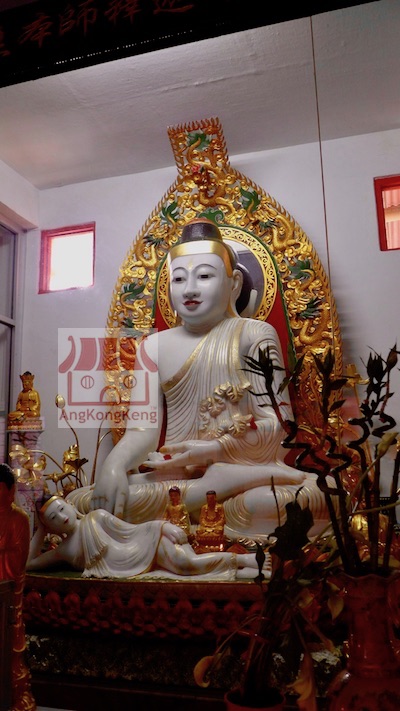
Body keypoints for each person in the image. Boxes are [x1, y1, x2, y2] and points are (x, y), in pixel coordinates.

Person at [69, 219, 330, 540]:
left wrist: (213, 451)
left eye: (204, 276)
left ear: (234, 283)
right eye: (179, 278)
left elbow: (280, 426)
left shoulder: (254, 334)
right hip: (177, 479)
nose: (190, 289)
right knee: (81, 502)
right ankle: (204, 498)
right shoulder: (152, 347)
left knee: (294, 500)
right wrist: (113, 467)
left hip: (247, 476)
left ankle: (196, 506)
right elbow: (141, 432)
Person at [27, 495, 270, 581]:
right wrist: (39, 530)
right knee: (188, 571)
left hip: (144, 548)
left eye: (62, 509)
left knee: (187, 565)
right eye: (53, 518)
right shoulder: (63, 550)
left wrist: (163, 526)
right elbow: (28, 564)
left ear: (70, 505)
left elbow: (132, 530)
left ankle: (246, 560)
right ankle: (247, 573)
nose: (62, 517)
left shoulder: (95, 517)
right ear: (50, 526)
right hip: (134, 568)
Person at [0, 463, 35, 711]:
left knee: (9, 642)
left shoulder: (19, 519)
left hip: (7, 591)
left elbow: (18, 558)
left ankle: (14, 695)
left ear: (11, 490)